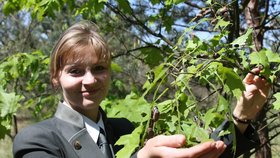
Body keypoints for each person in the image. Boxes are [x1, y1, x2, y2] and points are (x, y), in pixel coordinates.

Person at [12, 20, 269, 158]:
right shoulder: (37, 140)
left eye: (99, 68)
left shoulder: (128, 130)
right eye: (75, 71)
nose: (89, 80)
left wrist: (241, 117)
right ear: (55, 78)